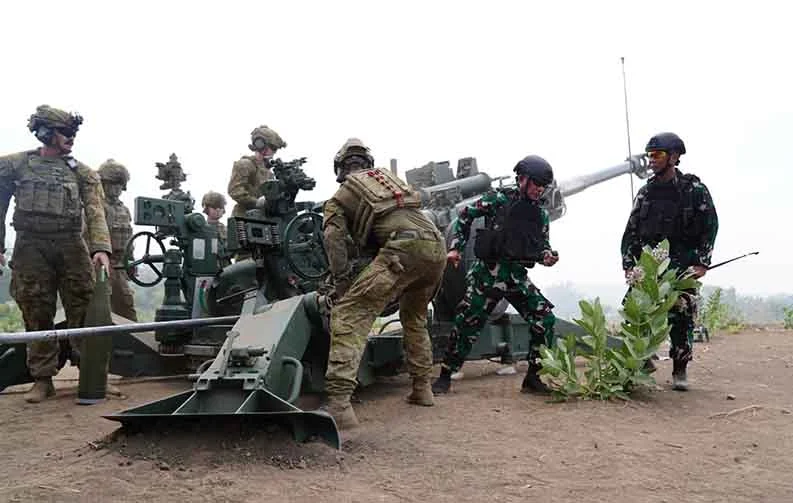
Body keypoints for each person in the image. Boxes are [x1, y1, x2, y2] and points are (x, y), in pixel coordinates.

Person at [321, 138, 447, 429]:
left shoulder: (339, 197)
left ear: (340, 169)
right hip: (436, 249)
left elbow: (333, 239)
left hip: (402, 251)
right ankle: (422, 389)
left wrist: (342, 281)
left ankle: (339, 406)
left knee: (348, 315)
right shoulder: (393, 184)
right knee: (414, 319)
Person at [0, 105, 112, 403]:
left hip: (71, 245)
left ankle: (92, 375)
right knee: (36, 310)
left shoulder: (83, 173)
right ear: (45, 132)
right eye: (65, 132)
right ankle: (42, 378)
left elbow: (95, 211)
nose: (71, 138)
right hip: (30, 246)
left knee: (85, 308)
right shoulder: (15, 165)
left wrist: (101, 248)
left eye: (73, 133)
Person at [432, 155, 559, 395]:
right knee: (466, 323)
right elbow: (465, 215)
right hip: (487, 275)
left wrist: (547, 257)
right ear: (522, 179)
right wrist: (456, 247)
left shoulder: (540, 215)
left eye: (543, 186)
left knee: (545, 319)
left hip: (516, 276)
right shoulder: (499, 200)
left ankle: (533, 377)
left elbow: (542, 246)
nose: (539, 190)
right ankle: (445, 376)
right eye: (536, 184)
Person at [621, 132, 718, 391]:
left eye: (657, 155)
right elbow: (631, 232)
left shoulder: (694, 191)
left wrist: (702, 262)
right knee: (633, 312)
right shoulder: (646, 193)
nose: (651, 160)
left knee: (681, 315)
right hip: (650, 265)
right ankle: (640, 364)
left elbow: (710, 226)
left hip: (681, 265)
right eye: (650, 155)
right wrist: (629, 265)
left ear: (673, 157)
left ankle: (680, 368)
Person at [227, 125, 286, 260]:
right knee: (247, 262)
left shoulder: (269, 172)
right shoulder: (245, 164)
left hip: (264, 222)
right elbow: (234, 190)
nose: (273, 152)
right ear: (261, 144)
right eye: (272, 147)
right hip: (245, 220)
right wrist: (256, 202)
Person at [97, 159, 138, 322]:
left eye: (119, 184)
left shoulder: (124, 210)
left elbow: (129, 239)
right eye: (111, 184)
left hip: (120, 265)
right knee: (100, 309)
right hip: (100, 266)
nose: (116, 188)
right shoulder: (95, 207)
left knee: (126, 309)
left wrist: (131, 262)